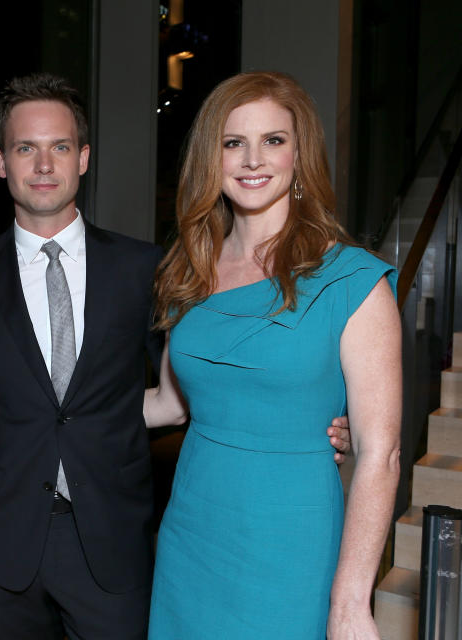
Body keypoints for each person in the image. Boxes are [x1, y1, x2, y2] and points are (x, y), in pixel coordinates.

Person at [145, 71, 401, 638]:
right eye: (233, 142)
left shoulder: (353, 281)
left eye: (274, 140)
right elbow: (166, 404)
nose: (252, 159)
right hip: (192, 529)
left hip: (293, 542)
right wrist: (47, 409)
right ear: (212, 158)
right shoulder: (190, 269)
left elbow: (380, 454)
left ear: (299, 155)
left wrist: (351, 601)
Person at [0, 72, 165, 640]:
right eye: (25, 148)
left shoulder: (143, 269)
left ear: (83, 158)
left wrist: (302, 424)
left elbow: (199, 382)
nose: (43, 164)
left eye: (59, 147)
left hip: (112, 545)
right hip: (1, 553)